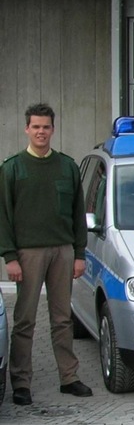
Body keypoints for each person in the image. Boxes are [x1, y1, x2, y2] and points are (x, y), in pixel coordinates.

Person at [0, 103, 93, 404]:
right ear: (27, 129)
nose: (41, 132)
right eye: (36, 127)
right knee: (24, 319)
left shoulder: (67, 166)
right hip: (27, 254)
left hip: (63, 252)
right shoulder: (12, 168)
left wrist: (79, 253)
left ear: (53, 129)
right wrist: (10, 257)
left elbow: (79, 214)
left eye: (46, 127)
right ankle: (21, 383)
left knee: (62, 318)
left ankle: (69, 377)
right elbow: (2, 216)